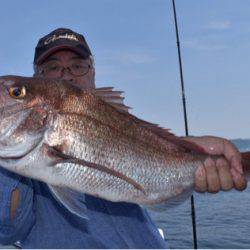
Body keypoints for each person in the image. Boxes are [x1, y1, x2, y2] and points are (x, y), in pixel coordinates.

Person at [0, 28, 246, 248]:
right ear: (38, 76)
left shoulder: (115, 123)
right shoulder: (15, 169)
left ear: (92, 72)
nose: (67, 75)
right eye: (53, 67)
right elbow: (7, 232)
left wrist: (191, 150)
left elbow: (137, 149)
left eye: (77, 65)